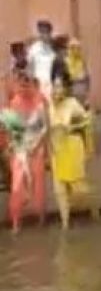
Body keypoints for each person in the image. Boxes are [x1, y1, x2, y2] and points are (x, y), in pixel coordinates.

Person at [49, 78, 100, 229]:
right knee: (59, 190)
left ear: (65, 89)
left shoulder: (72, 104)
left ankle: (94, 208)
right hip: (57, 150)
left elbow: (88, 120)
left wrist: (74, 126)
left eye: (60, 86)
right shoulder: (49, 106)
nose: (57, 90)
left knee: (79, 187)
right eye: (55, 86)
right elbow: (47, 127)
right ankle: (65, 223)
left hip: (72, 147)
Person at [3, 74, 48, 233]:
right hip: (19, 150)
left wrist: (39, 146)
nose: (23, 88)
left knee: (39, 185)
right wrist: (11, 147)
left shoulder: (39, 102)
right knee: (17, 186)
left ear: (30, 85)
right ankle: (16, 223)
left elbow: (45, 127)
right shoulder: (13, 103)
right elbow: (9, 129)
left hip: (37, 149)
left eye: (26, 84)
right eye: (20, 85)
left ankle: (41, 219)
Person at [26, 20, 56, 101]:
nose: (43, 35)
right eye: (41, 32)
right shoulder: (34, 48)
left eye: (45, 32)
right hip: (38, 87)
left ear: (50, 32)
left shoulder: (55, 48)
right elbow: (29, 68)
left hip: (52, 87)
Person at [66, 39, 90, 105]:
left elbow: (87, 78)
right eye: (73, 48)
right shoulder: (66, 61)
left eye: (78, 48)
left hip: (81, 91)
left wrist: (87, 97)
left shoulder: (82, 61)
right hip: (70, 92)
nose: (75, 50)